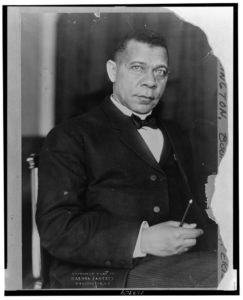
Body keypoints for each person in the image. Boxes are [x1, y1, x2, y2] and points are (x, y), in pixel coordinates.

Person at [36, 29, 217, 288]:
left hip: (179, 264)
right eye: (137, 68)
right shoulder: (70, 136)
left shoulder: (175, 133)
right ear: (112, 71)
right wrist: (141, 240)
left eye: (160, 71)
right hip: (100, 278)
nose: (150, 82)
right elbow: (56, 228)